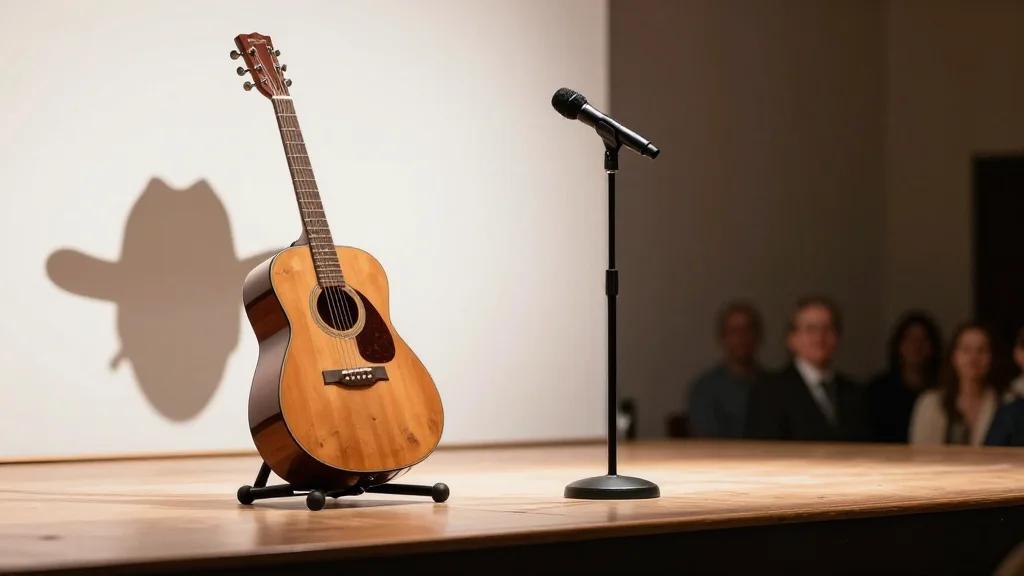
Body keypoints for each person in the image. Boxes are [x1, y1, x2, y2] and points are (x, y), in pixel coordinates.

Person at [746, 296, 869, 442]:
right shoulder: (770, 391)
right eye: (811, 329)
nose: (820, 337)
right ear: (792, 339)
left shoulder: (854, 392)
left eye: (828, 328)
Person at [909, 323, 1007, 446]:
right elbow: (919, 453)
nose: (973, 358)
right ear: (954, 356)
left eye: (982, 350)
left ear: (992, 357)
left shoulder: (1005, 403)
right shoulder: (931, 403)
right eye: (966, 350)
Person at [688, 302, 764, 438]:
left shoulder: (774, 385)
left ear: (758, 335)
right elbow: (707, 442)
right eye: (734, 331)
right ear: (723, 338)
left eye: (748, 329)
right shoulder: (705, 388)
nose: (742, 337)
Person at [866, 312, 942, 443]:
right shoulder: (878, 391)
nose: (916, 346)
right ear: (899, 345)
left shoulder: (942, 392)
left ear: (932, 347)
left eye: (923, 340)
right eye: (910, 339)